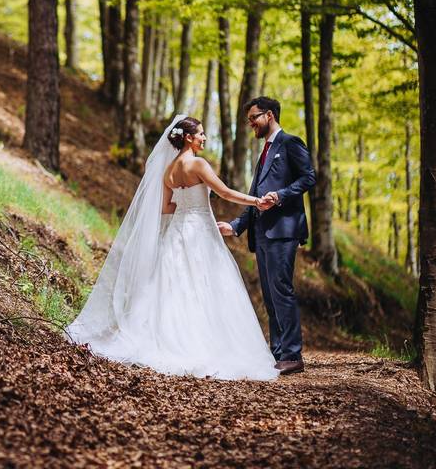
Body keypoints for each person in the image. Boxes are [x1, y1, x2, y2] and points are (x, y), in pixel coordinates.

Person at [67, 115, 279, 381]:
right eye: (200, 134)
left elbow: (165, 208)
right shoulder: (198, 164)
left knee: (171, 286)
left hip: (178, 230)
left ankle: (166, 338)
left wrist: (185, 207)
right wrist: (256, 201)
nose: (204, 137)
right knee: (207, 285)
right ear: (188, 138)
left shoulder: (168, 171)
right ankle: (204, 344)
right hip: (200, 229)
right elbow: (224, 193)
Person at [217, 96, 316, 374]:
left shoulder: (290, 143)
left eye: (253, 118)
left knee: (282, 290)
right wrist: (236, 226)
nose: (251, 124)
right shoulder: (264, 152)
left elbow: (308, 177)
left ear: (269, 115)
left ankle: (293, 355)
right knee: (270, 296)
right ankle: (278, 352)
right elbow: (256, 197)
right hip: (261, 233)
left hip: (283, 230)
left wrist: (281, 196)